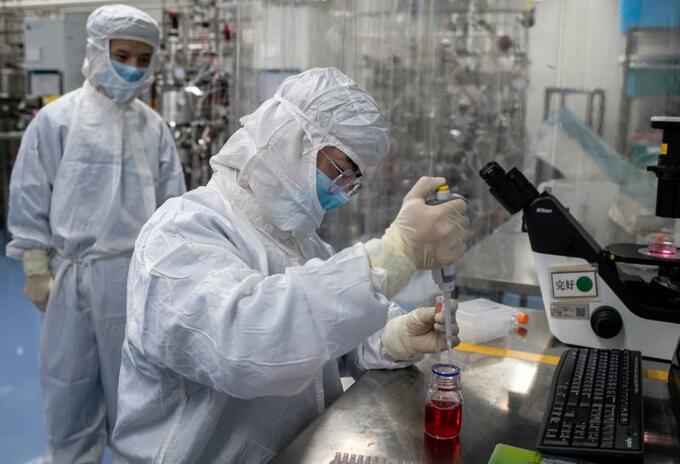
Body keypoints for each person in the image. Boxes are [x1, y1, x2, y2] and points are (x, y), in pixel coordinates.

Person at [111, 67, 469, 463]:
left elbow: (323, 336)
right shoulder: (180, 232)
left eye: (353, 180)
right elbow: (248, 346)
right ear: (291, 138)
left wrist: (390, 337)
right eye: (340, 170)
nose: (342, 190)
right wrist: (394, 254)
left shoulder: (300, 242)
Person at [5, 4, 186, 463]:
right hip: (73, 280)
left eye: (143, 60)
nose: (132, 68)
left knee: (140, 399)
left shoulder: (154, 128)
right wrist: (35, 268)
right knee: (70, 391)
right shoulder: (57, 120)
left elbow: (174, 209)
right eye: (121, 56)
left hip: (138, 282)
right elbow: (30, 194)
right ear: (96, 51)